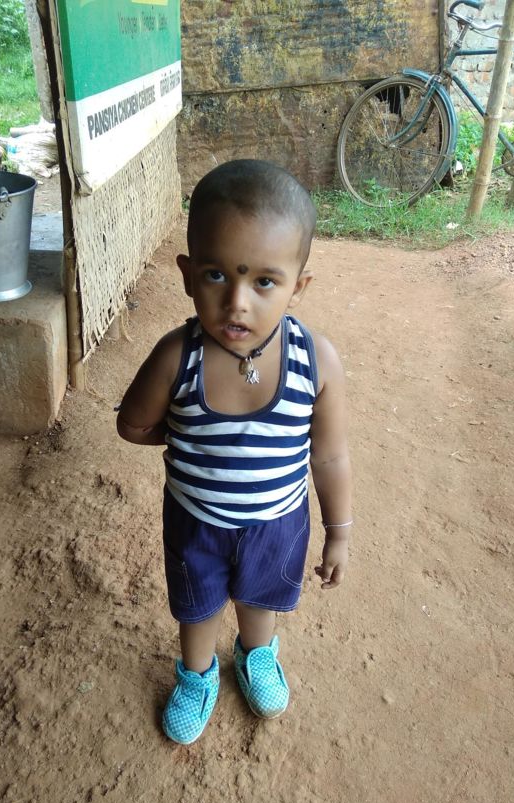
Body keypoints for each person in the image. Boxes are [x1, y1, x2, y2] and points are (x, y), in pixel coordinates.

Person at [117, 159, 352, 745]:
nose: (237, 302)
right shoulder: (177, 357)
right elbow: (132, 425)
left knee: (259, 598)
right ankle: (196, 676)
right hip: (196, 523)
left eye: (265, 281)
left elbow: (328, 456)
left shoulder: (316, 361)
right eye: (216, 275)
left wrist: (339, 532)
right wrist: (190, 440)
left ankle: (255, 654)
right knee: (197, 608)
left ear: (299, 286)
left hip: (277, 522)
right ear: (187, 274)